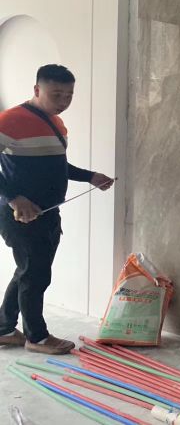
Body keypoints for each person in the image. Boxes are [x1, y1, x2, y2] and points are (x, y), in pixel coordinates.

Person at [0, 64, 114, 354]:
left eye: (69, 95)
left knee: (28, 270)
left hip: (47, 212)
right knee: (36, 274)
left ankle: (4, 329)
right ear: (37, 90)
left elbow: (58, 165)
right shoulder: (9, 120)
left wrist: (90, 176)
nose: (63, 101)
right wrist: (14, 198)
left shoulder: (57, 124)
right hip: (20, 215)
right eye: (56, 95)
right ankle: (37, 338)